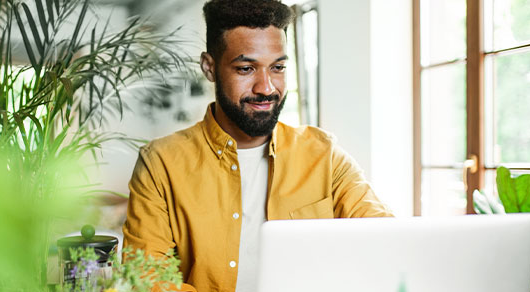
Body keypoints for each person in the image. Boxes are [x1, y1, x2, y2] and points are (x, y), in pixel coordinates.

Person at [122, 0, 393, 291]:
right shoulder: (160, 163)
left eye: (277, 67)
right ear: (209, 67)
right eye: (246, 68)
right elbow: (148, 279)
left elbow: (384, 242)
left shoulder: (324, 155)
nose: (266, 87)